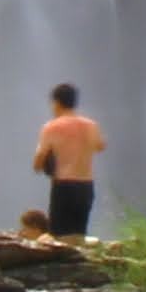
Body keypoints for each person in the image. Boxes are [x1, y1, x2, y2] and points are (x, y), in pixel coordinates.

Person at [32, 81, 105, 237]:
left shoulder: (51, 127)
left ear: (57, 102)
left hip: (63, 184)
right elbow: (100, 146)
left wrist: (40, 165)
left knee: (59, 234)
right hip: (86, 184)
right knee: (79, 232)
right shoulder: (91, 125)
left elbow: (39, 158)